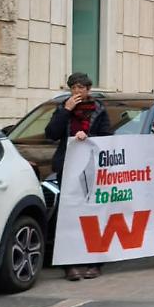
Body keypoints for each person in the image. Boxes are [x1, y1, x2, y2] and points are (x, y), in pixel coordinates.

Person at [45, 72, 112, 281]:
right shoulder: (62, 108)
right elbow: (51, 133)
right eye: (73, 87)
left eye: (81, 87)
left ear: (88, 89)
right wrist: (66, 111)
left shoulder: (99, 110)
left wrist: (88, 138)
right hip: (67, 167)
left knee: (93, 212)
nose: (77, 91)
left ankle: (95, 262)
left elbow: (107, 137)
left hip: (92, 168)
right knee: (68, 214)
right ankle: (69, 264)